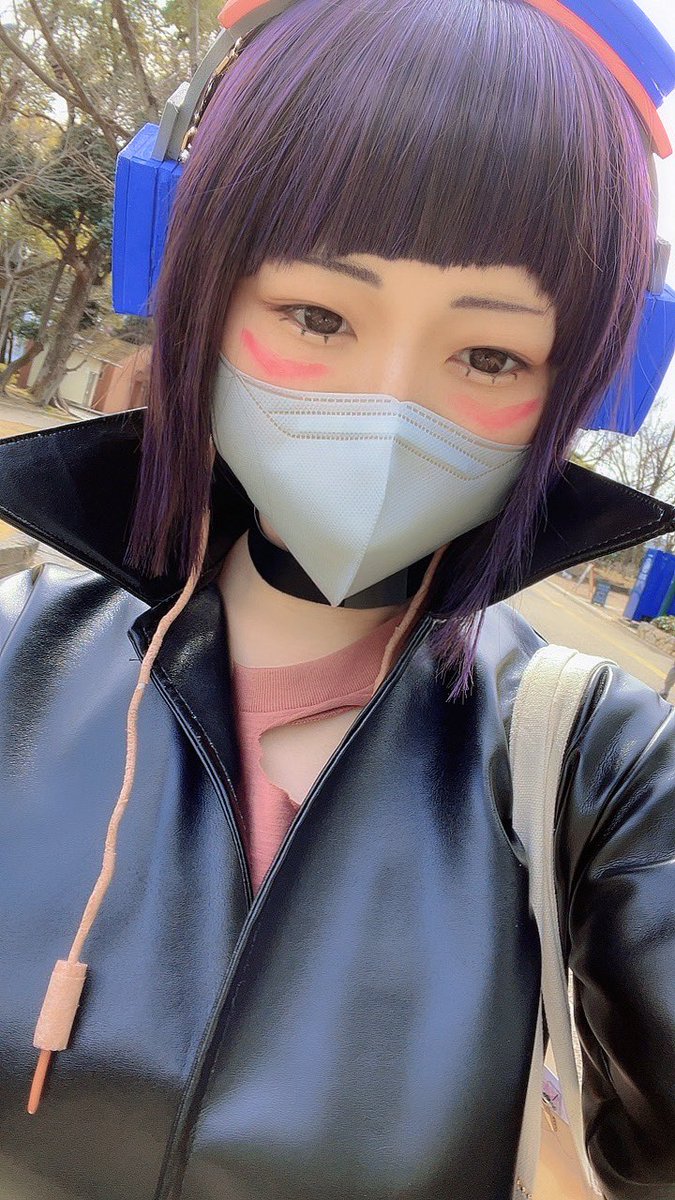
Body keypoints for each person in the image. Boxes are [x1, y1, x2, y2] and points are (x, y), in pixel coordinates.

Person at [0, 1, 674, 1198]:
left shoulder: (602, 767)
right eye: (319, 315)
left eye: (490, 356)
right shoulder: (15, 657)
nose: (389, 405)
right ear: (199, 291)